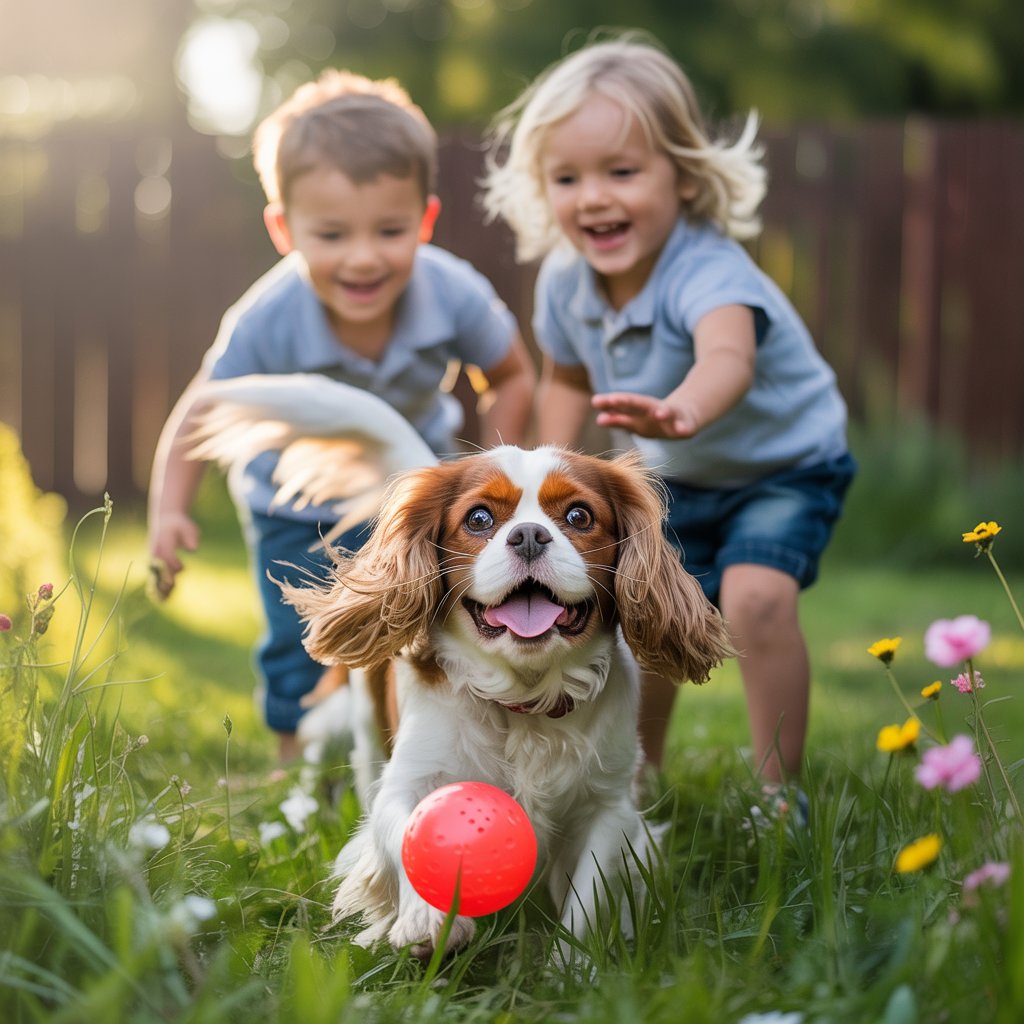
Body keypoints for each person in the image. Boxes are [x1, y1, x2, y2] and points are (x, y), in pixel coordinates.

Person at [482, 36, 855, 789]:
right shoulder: (564, 280)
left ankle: (778, 793)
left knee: (757, 600)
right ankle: (634, 774)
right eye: (568, 177)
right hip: (674, 475)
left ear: (683, 177)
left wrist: (683, 410)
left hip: (784, 468)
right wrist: (541, 491)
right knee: (644, 613)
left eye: (622, 172)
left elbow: (728, 358)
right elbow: (568, 379)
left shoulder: (705, 265)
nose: (594, 196)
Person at [149, 70, 535, 761]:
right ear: (283, 228)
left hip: (409, 501)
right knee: (301, 638)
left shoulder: (451, 292)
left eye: (389, 230)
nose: (363, 258)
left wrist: (485, 464)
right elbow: (203, 409)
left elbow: (511, 370)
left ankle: (423, 752)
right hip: (296, 509)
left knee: (424, 624)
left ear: (425, 219)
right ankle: (294, 763)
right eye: (330, 234)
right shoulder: (268, 316)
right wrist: (169, 509)